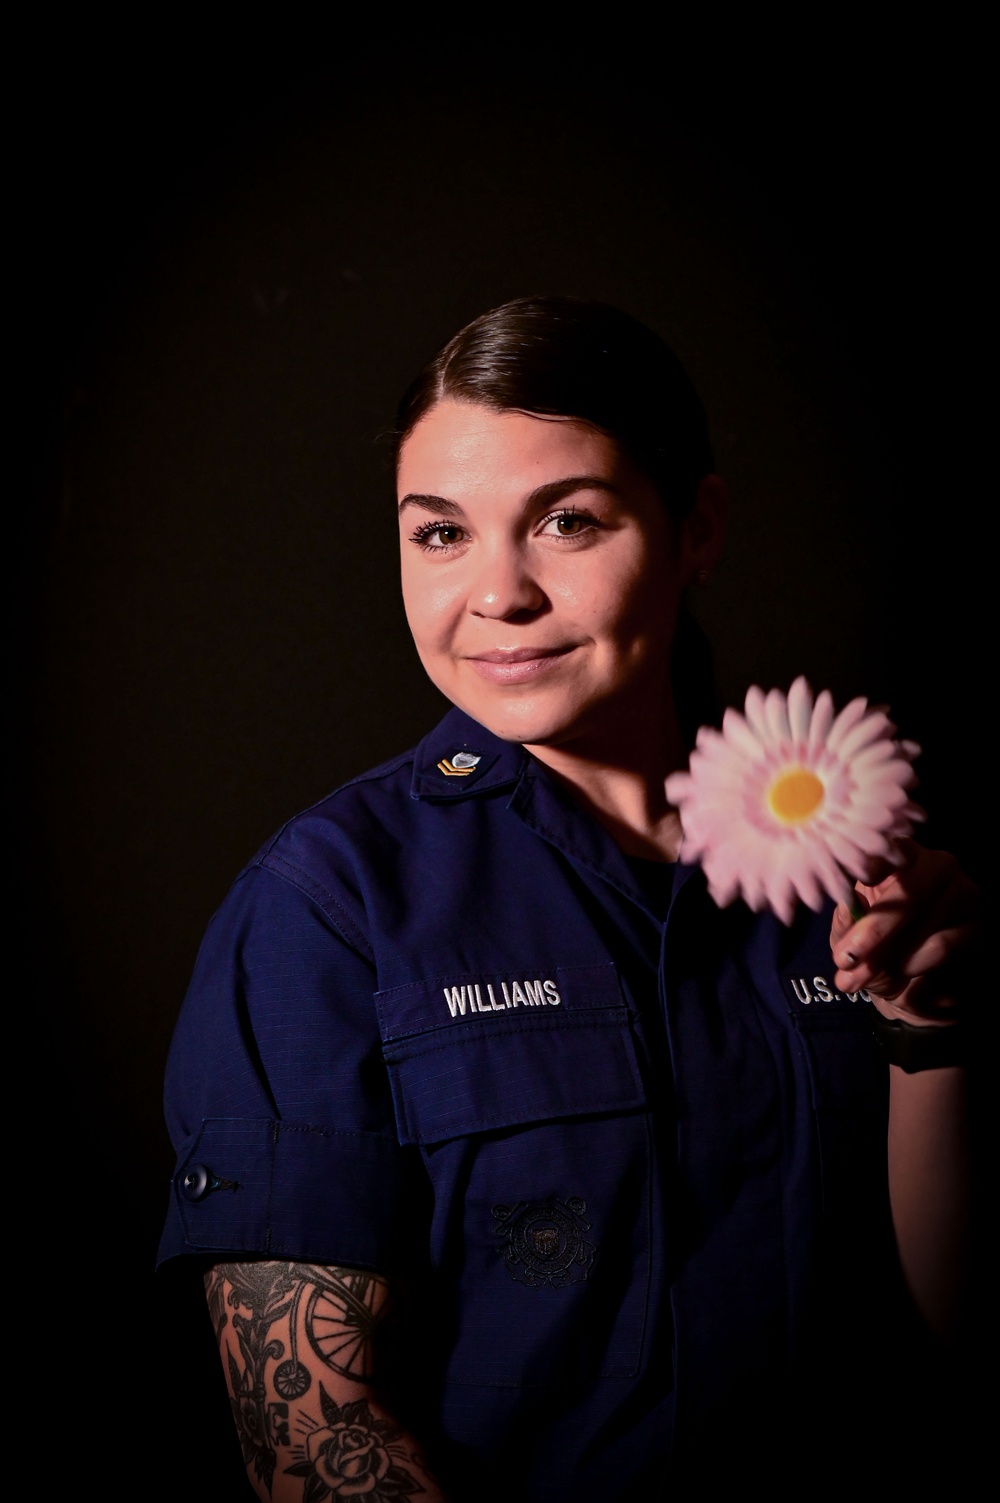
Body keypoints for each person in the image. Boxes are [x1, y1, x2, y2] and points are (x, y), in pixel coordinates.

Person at [157, 297, 979, 1500]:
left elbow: (945, 1334)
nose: (498, 594)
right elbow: (312, 1436)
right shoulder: (327, 906)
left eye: (566, 522)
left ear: (694, 526)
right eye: (439, 534)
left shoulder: (851, 861)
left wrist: (937, 1033)